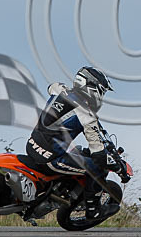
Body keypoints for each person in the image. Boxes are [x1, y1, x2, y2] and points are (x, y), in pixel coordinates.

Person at [26, 66, 117, 220]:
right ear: (92, 87)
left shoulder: (60, 89)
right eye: (102, 92)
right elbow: (99, 154)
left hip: (32, 144)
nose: (102, 96)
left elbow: (51, 87)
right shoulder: (87, 115)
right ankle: (93, 210)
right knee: (98, 168)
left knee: (74, 153)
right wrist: (116, 165)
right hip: (51, 158)